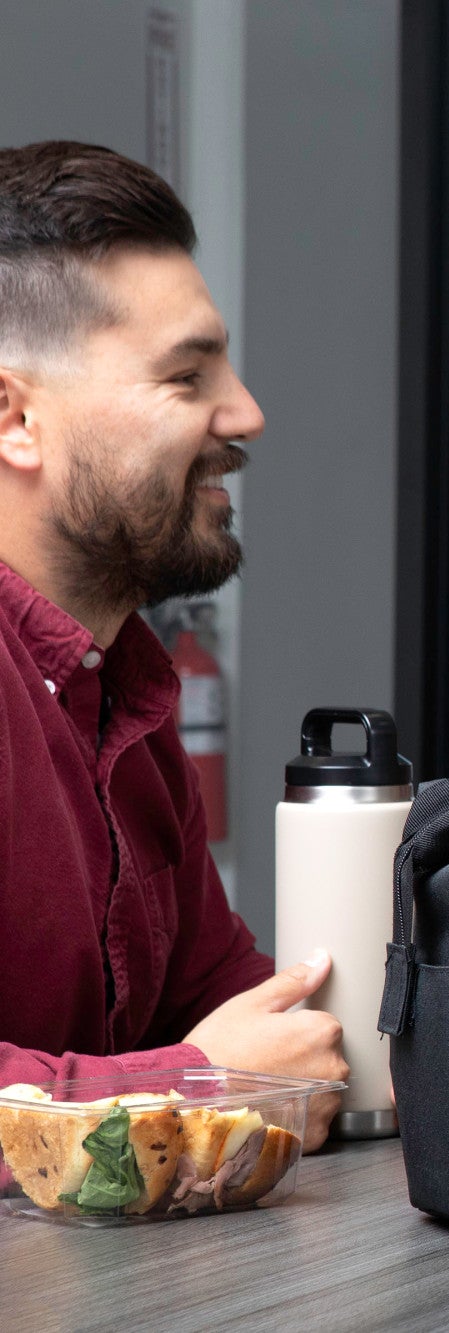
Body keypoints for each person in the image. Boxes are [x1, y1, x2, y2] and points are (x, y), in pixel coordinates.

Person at [0, 142, 345, 1148]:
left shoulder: (125, 690)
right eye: (188, 375)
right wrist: (204, 1084)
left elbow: (238, 1009)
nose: (244, 413)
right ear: (15, 416)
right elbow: (226, 1059)